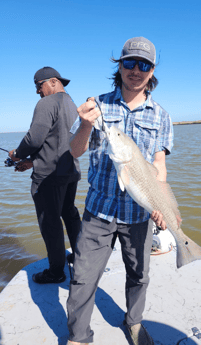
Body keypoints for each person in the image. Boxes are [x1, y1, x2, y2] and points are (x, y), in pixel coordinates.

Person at [66, 37, 174, 345]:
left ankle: (134, 323)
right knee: (82, 278)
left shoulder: (162, 116)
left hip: (139, 213)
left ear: (152, 71)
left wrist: (162, 204)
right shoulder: (96, 105)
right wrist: (85, 125)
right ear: (120, 66)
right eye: (129, 63)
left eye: (144, 65)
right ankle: (78, 337)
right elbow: (74, 152)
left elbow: (159, 166)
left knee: (139, 276)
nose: (135, 71)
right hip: (98, 210)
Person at [9, 67, 81, 284]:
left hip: (49, 177)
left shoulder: (46, 103)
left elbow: (34, 139)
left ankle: (56, 271)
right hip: (70, 171)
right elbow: (58, 143)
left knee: (50, 222)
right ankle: (80, 258)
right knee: (70, 213)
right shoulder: (72, 105)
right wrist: (32, 161)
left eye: (38, 86)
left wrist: (17, 154)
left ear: (52, 82)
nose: (37, 92)